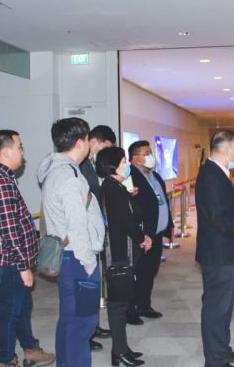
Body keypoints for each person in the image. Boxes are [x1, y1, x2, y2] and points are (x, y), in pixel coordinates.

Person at [0, 130, 55, 367]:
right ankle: (6, 360)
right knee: (9, 313)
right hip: (8, 262)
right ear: (5, 151)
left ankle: (30, 349)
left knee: (21, 308)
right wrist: (23, 266)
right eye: (20, 147)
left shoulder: (3, 177)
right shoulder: (0, 182)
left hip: (11, 261)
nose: (23, 152)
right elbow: (9, 231)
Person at [36, 117, 105, 367]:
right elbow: (77, 227)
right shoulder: (70, 178)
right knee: (82, 325)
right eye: (88, 139)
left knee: (69, 320)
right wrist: (89, 265)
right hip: (78, 259)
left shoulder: (55, 171)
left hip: (67, 256)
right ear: (80, 142)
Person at [195, 130, 234, 367]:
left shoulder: (218, 173)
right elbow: (218, 217)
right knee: (216, 308)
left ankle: (221, 349)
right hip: (218, 252)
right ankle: (215, 360)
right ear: (227, 150)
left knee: (224, 306)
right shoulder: (211, 175)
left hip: (224, 250)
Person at [96, 147, 152, 367]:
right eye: (123, 162)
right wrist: (142, 238)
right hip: (119, 254)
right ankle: (119, 352)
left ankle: (122, 349)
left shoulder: (115, 187)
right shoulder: (112, 189)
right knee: (118, 305)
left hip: (123, 251)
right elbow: (126, 221)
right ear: (113, 166)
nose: (127, 165)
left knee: (122, 301)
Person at [125, 140, 173, 325]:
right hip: (142, 236)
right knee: (136, 272)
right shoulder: (130, 178)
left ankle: (144, 305)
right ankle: (131, 310)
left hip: (156, 234)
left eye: (150, 152)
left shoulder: (155, 176)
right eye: (146, 153)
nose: (151, 156)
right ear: (135, 158)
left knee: (149, 272)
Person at [79, 124, 118, 348]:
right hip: (85, 233)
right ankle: (86, 333)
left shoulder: (93, 165)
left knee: (95, 284)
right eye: (105, 147)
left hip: (96, 231)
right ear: (93, 142)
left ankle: (93, 326)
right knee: (85, 285)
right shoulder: (81, 166)